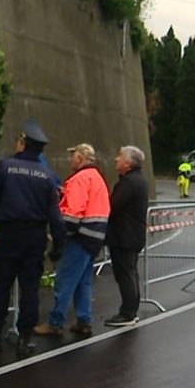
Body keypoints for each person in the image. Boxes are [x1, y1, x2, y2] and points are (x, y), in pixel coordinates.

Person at [0, 119, 66, 355]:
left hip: (8, 234)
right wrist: (58, 245)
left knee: (1, 286)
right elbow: (56, 217)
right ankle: (25, 339)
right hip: (35, 237)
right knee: (30, 289)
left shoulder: (6, 167)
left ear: (22, 143)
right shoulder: (47, 176)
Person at [34, 143, 110, 338]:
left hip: (81, 236)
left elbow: (73, 214)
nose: (70, 160)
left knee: (64, 281)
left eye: (73, 156)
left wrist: (59, 233)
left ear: (80, 158)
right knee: (83, 281)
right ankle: (84, 321)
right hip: (96, 237)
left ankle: (55, 323)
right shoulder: (97, 177)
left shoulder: (79, 179)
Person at [104, 146, 149, 326]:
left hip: (124, 236)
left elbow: (113, 206)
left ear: (128, 163)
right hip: (132, 235)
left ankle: (128, 312)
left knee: (125, 274)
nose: (116, 159)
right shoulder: (139, 180)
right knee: (130, 273)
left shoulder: (129, 183)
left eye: (120, 156)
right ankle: (131, 310)